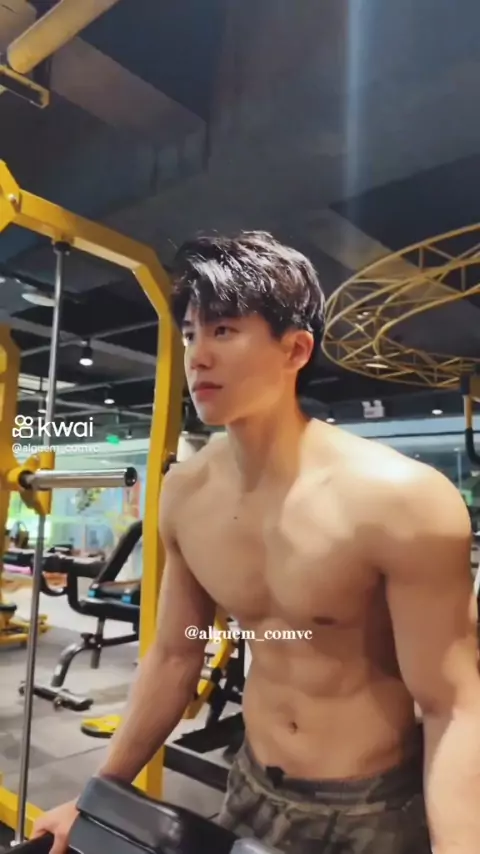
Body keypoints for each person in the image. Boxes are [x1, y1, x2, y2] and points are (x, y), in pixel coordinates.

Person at [33, 232, 480, 854]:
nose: (197, 356)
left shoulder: (401, 500)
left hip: (371, 811)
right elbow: (175, 656)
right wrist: (94, 796)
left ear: (295, 349)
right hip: (248, 786)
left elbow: (454, 706)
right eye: (191, 333)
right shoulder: (186, 493)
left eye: (223, 330)